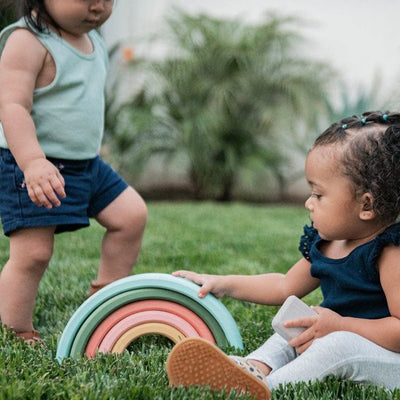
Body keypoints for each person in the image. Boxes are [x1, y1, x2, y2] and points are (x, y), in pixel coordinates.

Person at [166, 111, 400, 399]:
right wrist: (223, 284)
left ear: (366, 205)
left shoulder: (390, 251)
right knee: (293, 325)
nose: (308, 203)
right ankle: (252, 368)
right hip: (335, 333)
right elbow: (283, 285)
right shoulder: (328, 244)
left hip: (389, 360)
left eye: (318, 194)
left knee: (336, 344)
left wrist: (339, 325)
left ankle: (265, 390)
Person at [0, 0, 147, 344]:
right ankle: (16, 328)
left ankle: (104, 303)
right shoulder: (28, 40)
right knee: (34, 254)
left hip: (86, 165)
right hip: (35, 165)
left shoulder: (92, 38)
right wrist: (33, 161)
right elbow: (11, 105)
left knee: (131, 216)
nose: (98, 6)